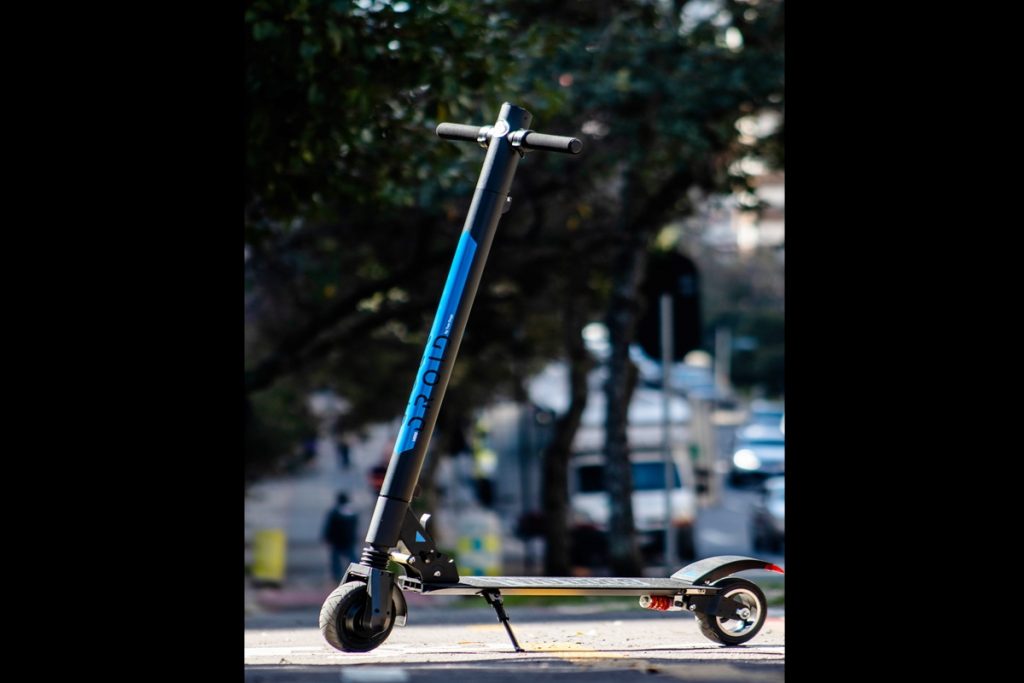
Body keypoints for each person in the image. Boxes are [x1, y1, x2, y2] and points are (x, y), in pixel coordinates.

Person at [321, 492, 359, 584]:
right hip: (348, 540)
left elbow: (329, 526)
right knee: (352, 559)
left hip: (337, 541)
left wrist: (326, 537)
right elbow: (355, 526)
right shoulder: (352, 512)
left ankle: (337, 577)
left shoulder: (334, 512)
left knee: (336, 561)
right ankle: (356, 574)